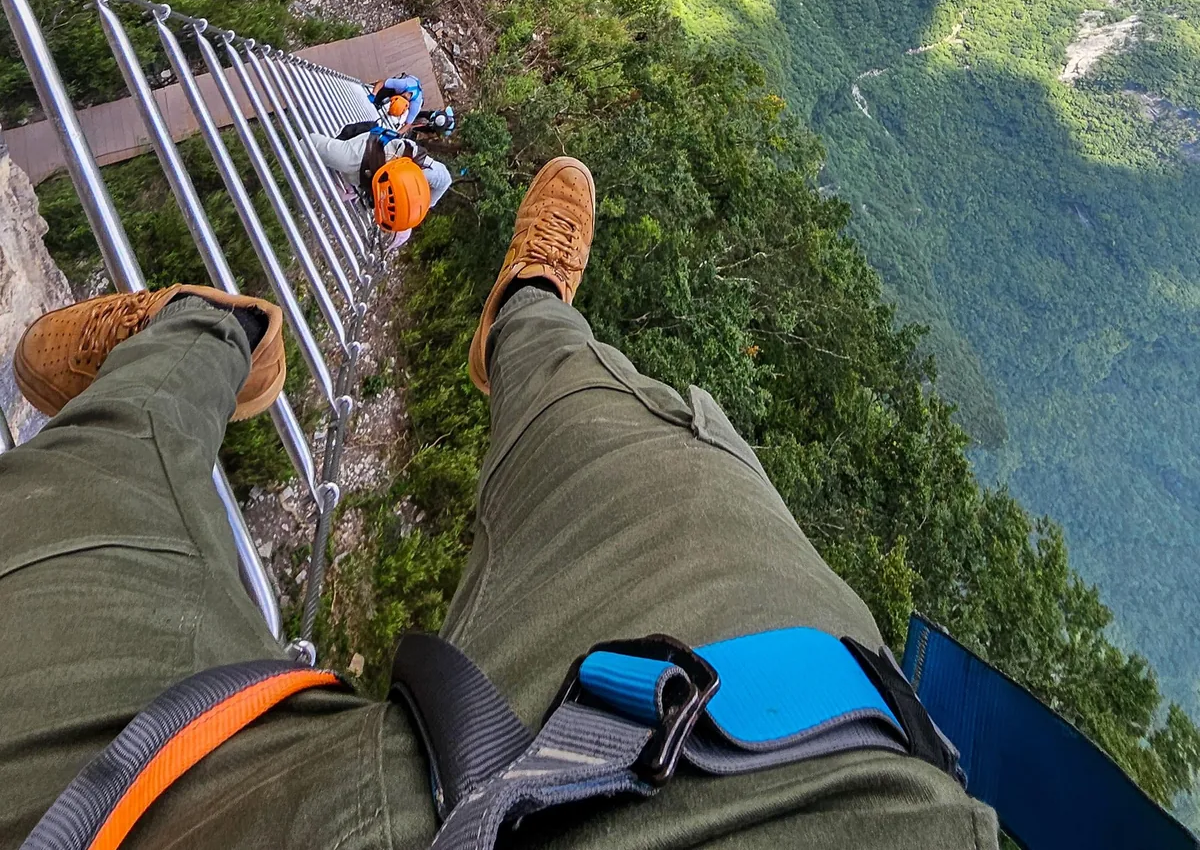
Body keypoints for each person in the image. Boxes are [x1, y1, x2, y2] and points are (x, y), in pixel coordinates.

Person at [0, 158, 1000, 849]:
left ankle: (199, 330)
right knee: (630, 438)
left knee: (98, 472)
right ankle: (527, 305)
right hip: (740, 766)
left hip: (124, 812)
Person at [310, 74, 454, 239]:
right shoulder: (405, 87)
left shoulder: (431, 172)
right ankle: (350, 188)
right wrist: (374, 97)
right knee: (315, 148)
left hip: (380, 152)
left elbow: (407, 127)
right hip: (371, 154)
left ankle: (350, 187)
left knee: (320, 150)